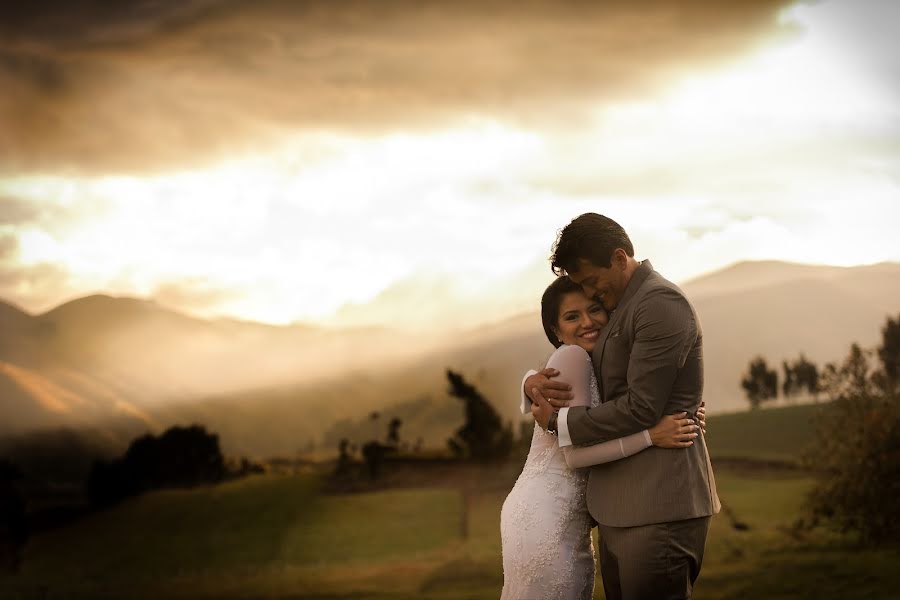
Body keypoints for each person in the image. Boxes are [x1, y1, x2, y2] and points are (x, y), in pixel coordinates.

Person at [526, 213, 720, 600]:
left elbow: (641, 407)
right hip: (619, 510)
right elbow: (587, 365)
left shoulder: (659, 304)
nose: (591, 294)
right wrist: (530, 381)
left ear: (619, 258)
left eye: (592, 282)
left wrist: (558, 422)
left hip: (658, 506)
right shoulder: (621, 303)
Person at [500, 276, 704, 600]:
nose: (587, 322)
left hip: (556, 516)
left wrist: (681, 408)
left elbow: (624, 407)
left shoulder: (593, 361)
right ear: (555, 331)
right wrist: (652, 436)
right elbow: (574, 456)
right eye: (571, 317)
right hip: (547, 516)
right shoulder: (573, 357)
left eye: (594, 309)